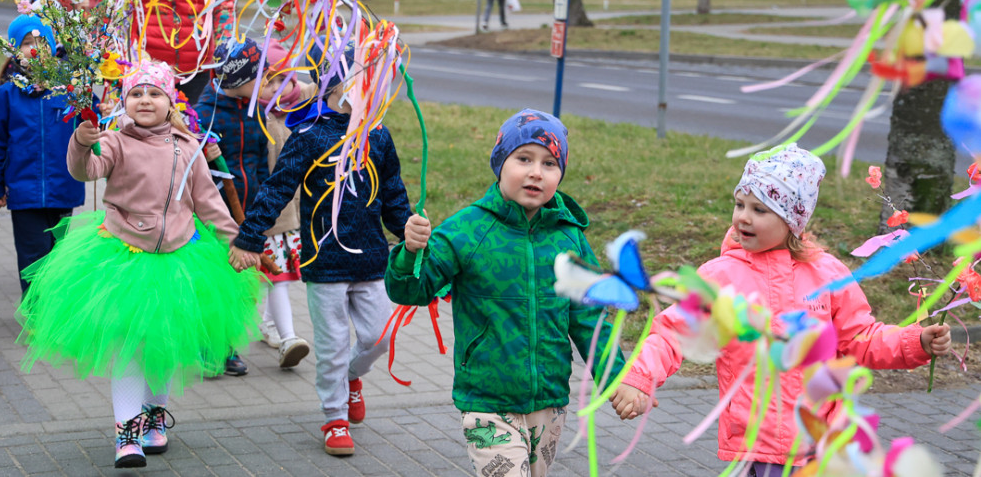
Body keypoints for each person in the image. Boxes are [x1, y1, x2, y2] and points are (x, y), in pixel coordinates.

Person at [609, 144, 953, 476]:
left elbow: (860, 338)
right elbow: (673, 333)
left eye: (760, 210)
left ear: (792, 220)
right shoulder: (719, 276)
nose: (743, 216)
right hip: (756, 446)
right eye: (740, 204)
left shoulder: (827, 274)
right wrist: (640, 378)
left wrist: (915, 342)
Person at [16, 60, 262, 468]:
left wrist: (235, 242)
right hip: (125, 257)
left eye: (154, 93)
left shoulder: (188, 147)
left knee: (164, 345)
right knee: (131, 348)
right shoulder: (115, 141)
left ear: (171, 102)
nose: (144, 100)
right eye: (136, 93)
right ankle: (126, 434)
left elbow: (209, 203)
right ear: (124, 101)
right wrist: (81, 141)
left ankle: (154, 418)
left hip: (178, 260)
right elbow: (85, 170)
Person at [387, 109, 626, 477]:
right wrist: (410, 253)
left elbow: (589, 319)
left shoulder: (569, 238)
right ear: (500, 162)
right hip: (487, 400)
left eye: (549, 163)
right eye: (524, 159)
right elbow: (410, 291)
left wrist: (618, 378)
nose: (536, 172)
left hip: (548, 399)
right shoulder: (468, 230)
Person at [231, 65, 413, 456]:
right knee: (331, 345)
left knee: (380, 337)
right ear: (337, 88)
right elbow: (277, 189)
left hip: (371, 260)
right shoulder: (309, 136)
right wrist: (249, 238)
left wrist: (410, 234)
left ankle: (351, 378)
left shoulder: (377, 136)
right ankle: (334, 417)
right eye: (364, 84)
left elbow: (394, 195)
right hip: (324, 260)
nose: (373, 93)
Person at [0, 14, 84, 296]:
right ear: (16, 50)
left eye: (41, 42)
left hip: (63, 186)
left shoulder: (70, 90)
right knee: (32, 256)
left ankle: (55, 309)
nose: (35, 49)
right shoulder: (7, 95)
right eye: (27, 43)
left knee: (58, 255)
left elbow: (92, 122)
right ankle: (36, 311)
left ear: (52, 47)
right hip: (23, 191)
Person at [194, 38, 274, 377]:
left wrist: (264, 206)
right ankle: (208, 345)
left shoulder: (254, 110)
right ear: (237, 78)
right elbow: (186, 167)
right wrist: (204, 154)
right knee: (214, 282)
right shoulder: (204, 114)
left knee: (241, 282)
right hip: (213, 216)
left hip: (249, 211)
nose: (265, 83)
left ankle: (228, 344)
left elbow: (260, 161)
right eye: (260, 77)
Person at [253, 58, 315, 369]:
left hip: (290, 213)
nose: (276, 89)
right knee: (276, 277)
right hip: (265, 216)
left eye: (282, 81)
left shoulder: (294, 107)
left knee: (280, 276)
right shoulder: (254, 118)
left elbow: (325, 84)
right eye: (268, 83)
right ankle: (288, 336)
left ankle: (270, 324)